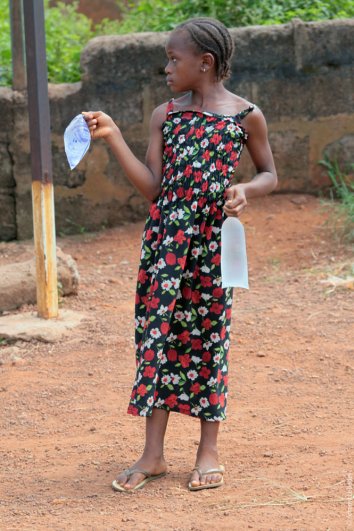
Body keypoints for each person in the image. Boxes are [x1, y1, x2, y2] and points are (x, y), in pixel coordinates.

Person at [83, 16, 277, 492]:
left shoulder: (245, 116)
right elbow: (153, 187)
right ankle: (153, 454)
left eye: (174, 59)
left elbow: (270, 172)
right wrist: (112, 137)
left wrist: (246, 190)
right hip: (165, 245)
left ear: (205, 63)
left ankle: (207, 450)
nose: (166, 68)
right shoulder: (165, 115)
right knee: (158, 337)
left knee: (209, 338)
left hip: (213, 245)